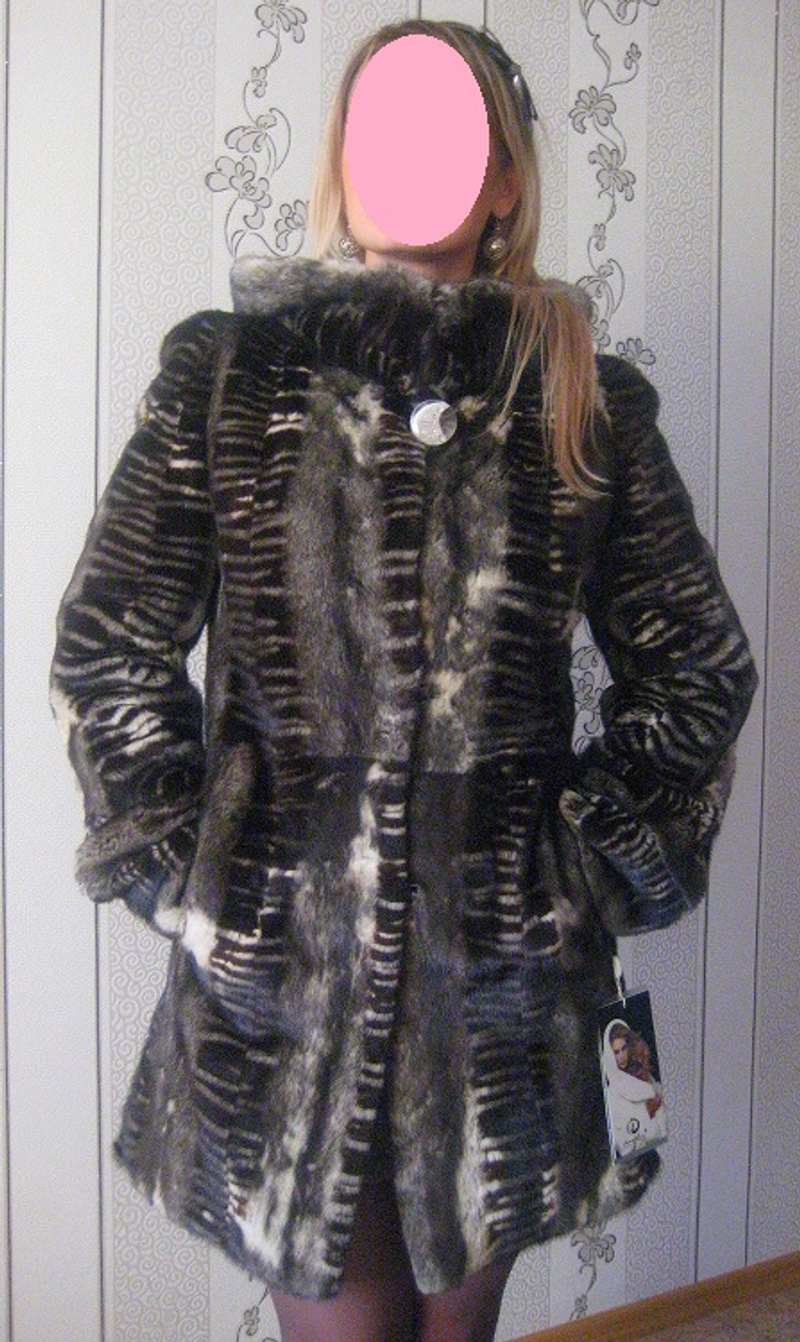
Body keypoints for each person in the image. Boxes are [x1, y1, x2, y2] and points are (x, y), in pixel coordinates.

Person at [50, 18, 757, 1342]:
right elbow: (108, 646)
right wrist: (195, 873)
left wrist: (578, 867)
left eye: (451, 130)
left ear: (506, 184)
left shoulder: (581, 396)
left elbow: (695, 667)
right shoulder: (228, 375)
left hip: (502, 992)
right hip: (280, 988)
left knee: (456, 1328)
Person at [603, 1021, 668, 1160]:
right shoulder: (611, 1096)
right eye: (616, 1052)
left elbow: (666, 1127)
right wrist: (649, 1113)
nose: (621, 1056)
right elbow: (625, 1148)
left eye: (624, 1049)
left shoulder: (646, 1079)